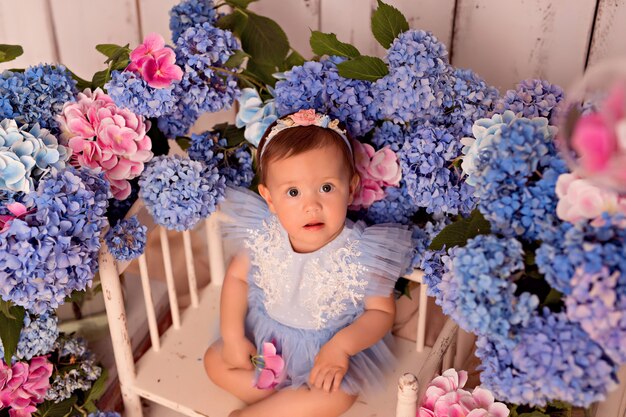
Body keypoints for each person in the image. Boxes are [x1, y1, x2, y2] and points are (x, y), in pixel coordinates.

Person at [203, 109, 414, 417]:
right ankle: (285, 401)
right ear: (270, 198)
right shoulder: (265, 233)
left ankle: (261, 411)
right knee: (215, 360)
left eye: (327, 188)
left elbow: (380, 312)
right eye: (292, 192)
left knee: (338, 396)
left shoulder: (360, 251)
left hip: (325, 354)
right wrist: (234, 335)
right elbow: (237, 279)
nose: (311, 205)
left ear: (351, 187)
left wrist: (340, 348)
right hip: (266, 342)